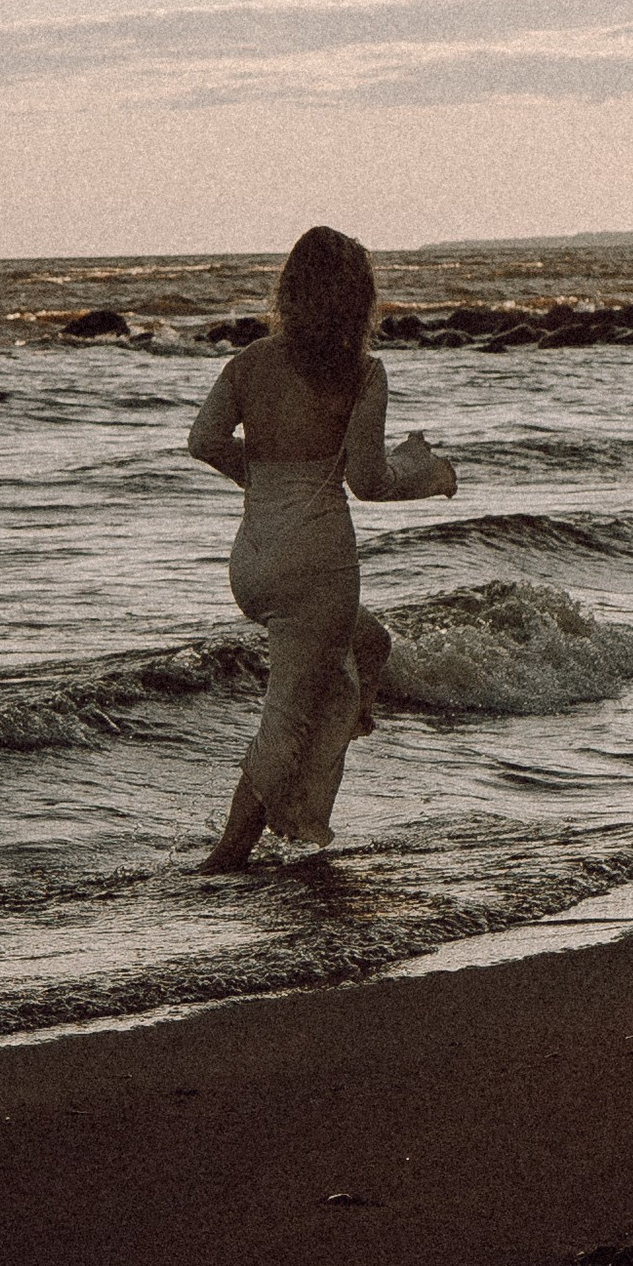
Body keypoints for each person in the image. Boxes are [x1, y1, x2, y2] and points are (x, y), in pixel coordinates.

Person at [187, 224, 458, 870]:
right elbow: (368, 481)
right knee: (287, 715)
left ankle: (300, 800)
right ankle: (227, 857)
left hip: (253, 562)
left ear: (289, 291)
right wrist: (430, 473)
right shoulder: (362, 373)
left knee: (370, 644)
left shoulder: (248, 362)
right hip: (317, 565)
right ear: (357, 299)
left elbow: (204, 441)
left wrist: (264, 479)